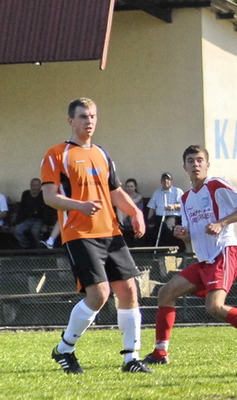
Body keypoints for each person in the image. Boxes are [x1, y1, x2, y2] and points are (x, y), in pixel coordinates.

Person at [143, 145, 237, 365]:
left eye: (200, 160)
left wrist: (222, 222)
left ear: (207, 164)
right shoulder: (186, 198)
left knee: (214, 307)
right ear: (184, 166)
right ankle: (160, 353)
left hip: (224, 252)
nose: (195, 164)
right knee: (165, 293)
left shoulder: (216, 185)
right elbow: (192, 235)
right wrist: (183, 234)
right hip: (205, 260)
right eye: (191, 161)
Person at [41, 97, 151, 374]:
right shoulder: (56, 154)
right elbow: (49, 197)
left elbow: (114, 191)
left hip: (111, 232)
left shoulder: (102, 154)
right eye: (82, 117)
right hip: (79, 233)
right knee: (99, 294)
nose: (89, 121)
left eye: (92, 116)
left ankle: (131, 359)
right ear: (71, 121)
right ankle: (64, 349)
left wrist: (135, 212)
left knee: (128, 291)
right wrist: (80, 206)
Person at [147, 172, 185, 250]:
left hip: (172, 216)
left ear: (171, 181)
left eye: (168, 179)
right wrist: (148, 220)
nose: (166, 181)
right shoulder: (157, 193)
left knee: (167, 226)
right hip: (159, 216)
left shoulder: (177, 191)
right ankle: (155, 251)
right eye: (164, 179)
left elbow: (184, 205)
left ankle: (172, 248)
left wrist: (174, 206)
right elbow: (152, 208)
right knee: (152, 229)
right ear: (161, 181)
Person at [12, 178, 52, 249]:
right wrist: (18, 221)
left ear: (40, 186)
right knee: (17, 230)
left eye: (36, 185)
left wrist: (46, 224)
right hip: (27, 219)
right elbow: (21, 209)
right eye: (33, 185)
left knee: (35, 231)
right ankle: (27, 247)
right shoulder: (25, 194)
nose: (34, 187)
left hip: (39, 220)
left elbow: (48, 211)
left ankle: (39, 249)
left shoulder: (44, 195)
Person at [117, 178, 144, 245]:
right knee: (119, 207)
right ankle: (121, 223)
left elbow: (133, 203)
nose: (129, 188)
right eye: (128, 186)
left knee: (131, 209)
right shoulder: (124, 195)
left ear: (135, 187)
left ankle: (121, 224)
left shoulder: (138, 195)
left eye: (131, 186)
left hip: (135, 215)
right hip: (125, 214)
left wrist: (124, 202)